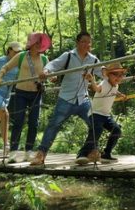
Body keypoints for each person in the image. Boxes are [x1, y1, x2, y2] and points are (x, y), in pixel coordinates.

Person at [29, 32, 103, 166]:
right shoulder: (68, 56)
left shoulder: (93, 59)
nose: (87, 44)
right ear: (77, 42)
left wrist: (114, 73)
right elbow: (52, 65)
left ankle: (91, 152)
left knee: (95, 124)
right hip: (66, 98)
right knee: (53, 126)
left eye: (89, 42)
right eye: (83, 41)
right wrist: (46, 72)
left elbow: (103, 72)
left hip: (83, 99)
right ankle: (41, 155)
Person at [0, 33, 51, 163]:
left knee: (34, 123)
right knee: (18, 121)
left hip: (36, 94)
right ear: (31, 44)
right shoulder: (21, 56)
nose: (38, 46)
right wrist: (0, 78)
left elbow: (50, 74)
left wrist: (51, 77)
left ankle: (29, 152)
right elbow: (6, 67)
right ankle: (13, 152)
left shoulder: (44, 59)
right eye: (36, 43)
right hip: (20, 92)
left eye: (40, 43)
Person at [75, 62, 128, 165]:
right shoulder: (104, 83)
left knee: (116, 130)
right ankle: (82, 154)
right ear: (107, 75)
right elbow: (97, 89)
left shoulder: (115, 86)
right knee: (96, 131)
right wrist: (92, 80)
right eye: (115, 74)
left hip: (106, 115)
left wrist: (120, 94)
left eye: (120, 75)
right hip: (95, 113)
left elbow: (113, 91)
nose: (118, 77)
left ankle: (106, 154)